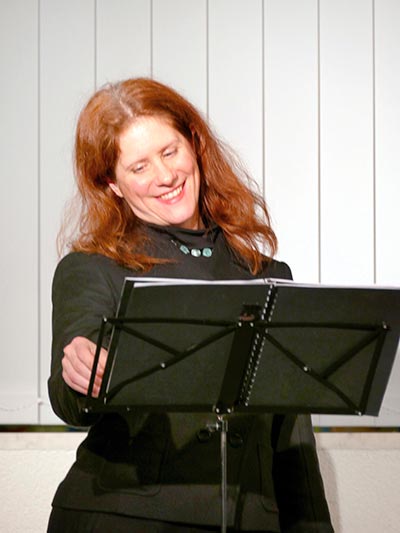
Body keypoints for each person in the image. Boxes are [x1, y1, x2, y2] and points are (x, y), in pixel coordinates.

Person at [48, 77, 333, 532]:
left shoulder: (267, 274)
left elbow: (291, 443)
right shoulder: (92, 267)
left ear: (195, 145)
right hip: (124, 520)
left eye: (170, 151)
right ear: (112, 183)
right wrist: (81, 371)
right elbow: (69, 394)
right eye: (139, 167)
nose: (164, 176)